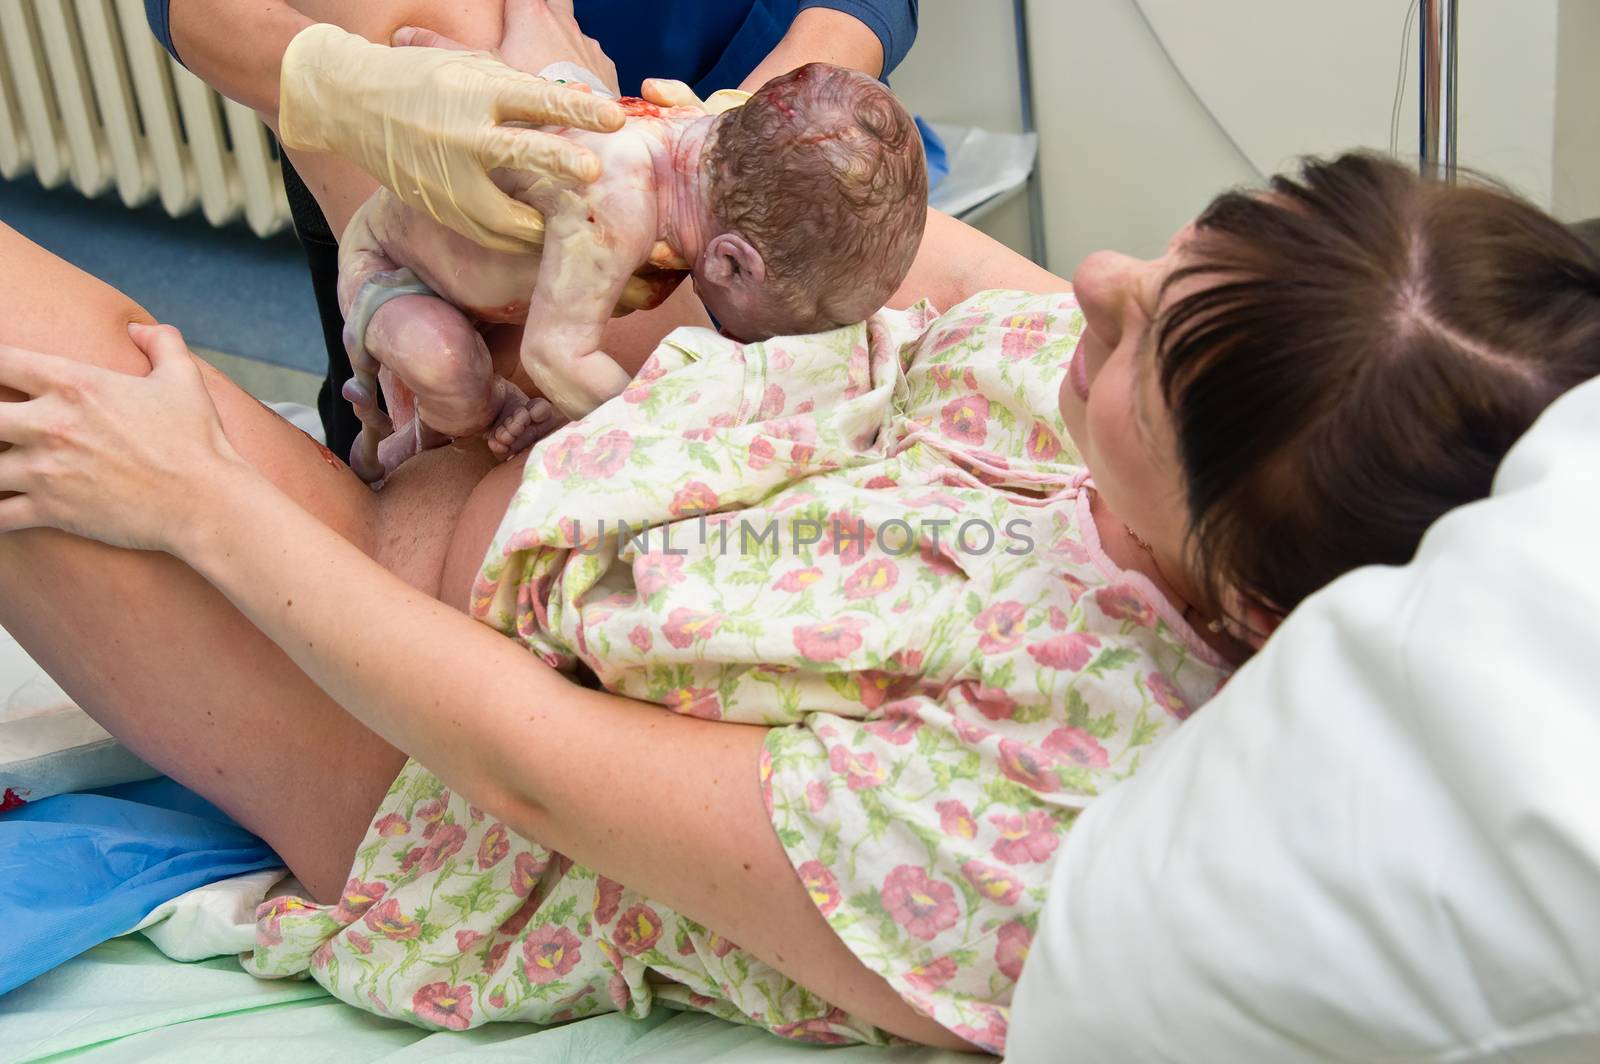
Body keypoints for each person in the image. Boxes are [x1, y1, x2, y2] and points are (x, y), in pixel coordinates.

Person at [4, 151, 1596, 1052]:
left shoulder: (1028, 819)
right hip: (481, 477)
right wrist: (640, 180)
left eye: (1130, 350)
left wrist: (197, 507)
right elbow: (913, 262)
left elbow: (526, 762)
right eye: (1173, 257)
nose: (1091, 285)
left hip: (418, 758)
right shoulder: (1166, 421)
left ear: (1246, 601)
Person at [142, 0, 921, 460]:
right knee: (444, 398)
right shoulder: (612, 201)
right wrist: (342, 85)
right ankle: (385, 441)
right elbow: (560, 358)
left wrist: (766, 137)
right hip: (434, 240)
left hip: (742, 147)